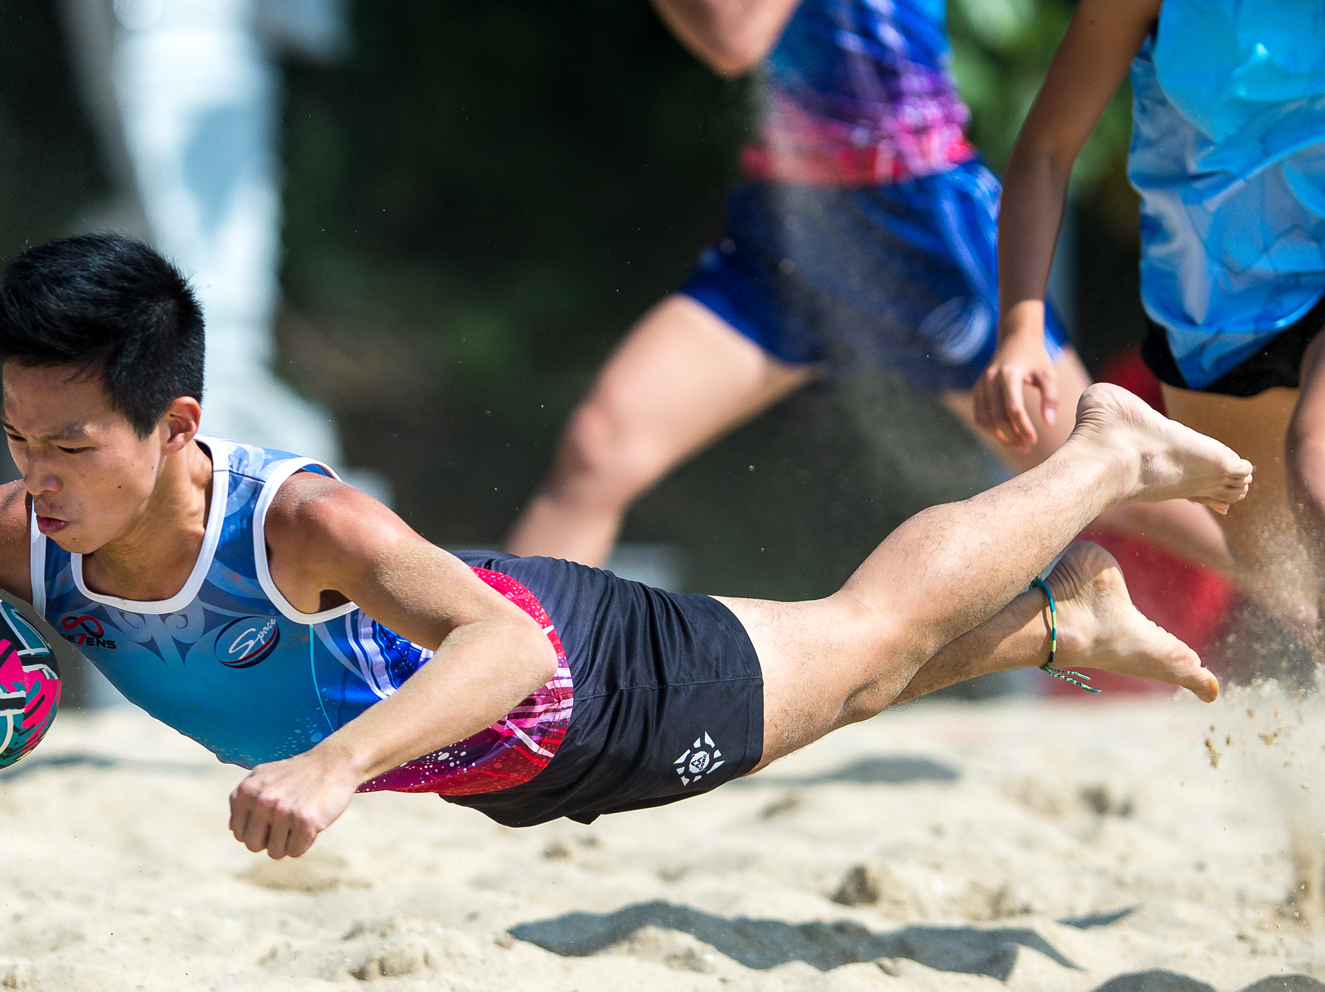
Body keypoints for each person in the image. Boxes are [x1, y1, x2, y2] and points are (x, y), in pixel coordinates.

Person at [0, 235, 1248, 860]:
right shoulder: (16, 535)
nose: (36, 478)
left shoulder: (295, 526)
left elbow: (508, 643)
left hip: (576, 684)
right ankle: (1070, 614)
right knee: (854, 682)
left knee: (861, 643)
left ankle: (1108, 454)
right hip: (493, 775)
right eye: (19, 439)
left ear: (173, 424)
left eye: (71, 444)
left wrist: (334, 763)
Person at [503, 0, 1228, 578]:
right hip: (787, 225)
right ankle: (496, 704)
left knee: (1098, 465)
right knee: (599, 449)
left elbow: (734, 33)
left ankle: (1302, 592)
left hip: (915, 220)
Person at [976, 0, 1325, 646]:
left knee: (1316, 456)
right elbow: (1047, 151)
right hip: (1214, 320)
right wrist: (1021, 326)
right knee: (1294, 585)